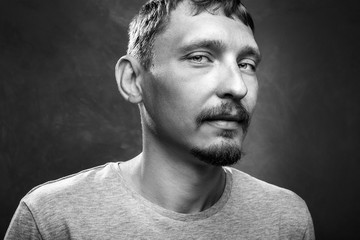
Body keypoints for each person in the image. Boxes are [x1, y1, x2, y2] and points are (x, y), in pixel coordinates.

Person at [5, 0, 315, 239]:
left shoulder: (286, 220)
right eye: (200, 57)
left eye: (247, 63)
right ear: (133, 80)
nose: (237, 86)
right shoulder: (51, 219)